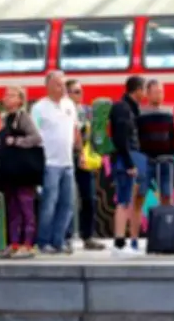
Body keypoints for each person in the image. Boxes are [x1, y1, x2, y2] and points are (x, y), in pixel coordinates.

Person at [32, 71, 80, 255]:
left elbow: (75, 129)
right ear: (49, 86)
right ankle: (44, 241)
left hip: (67, 162)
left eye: (64, 84)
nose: (63, 88)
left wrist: (80, 151)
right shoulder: (39, 107)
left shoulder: (69, 105)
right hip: (49, 163)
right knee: (49, 204)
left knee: (67, 204)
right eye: (59, 84)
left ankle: (59, 240)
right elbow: (35, 135)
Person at [0, 86, 42, 259]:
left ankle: (28, 243)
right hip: (10, 169)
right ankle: (14, 243)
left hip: (23, 170)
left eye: (11, 95)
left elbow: (36, 138)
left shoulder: (24, 118)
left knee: (26, 206)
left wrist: (16, 141)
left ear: (20, 99)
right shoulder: (6, 118)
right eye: (5, 95)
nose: (6, 98)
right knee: (13, 207)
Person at [63, 80, 104, 251]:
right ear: (67, 94)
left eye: (80, 91)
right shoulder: (63, 111)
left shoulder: (86, 112)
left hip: (84, 159)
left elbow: (93, 135)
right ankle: (65, 236)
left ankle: (87, 236)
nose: (80, 95)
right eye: (76, 91)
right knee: (66, 199)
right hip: (67, 158)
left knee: (89, 197)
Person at [109, 75, 147, 256]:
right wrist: (130, 163)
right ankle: (119, 245)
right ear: (137, 90)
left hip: (125, 158)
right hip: (125, 160)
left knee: (125, 201)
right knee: (123, 201)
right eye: (144, 90)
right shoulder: (124, 109)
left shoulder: (127, 108)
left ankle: (120, 243)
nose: (145, 94)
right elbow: (121, 138)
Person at [137, 79, 174, 206]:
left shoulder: (169, 113)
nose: (159, 95)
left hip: (165, 161)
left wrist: (173, 154)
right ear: (148, 94)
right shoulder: (140, 113)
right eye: (155, 92)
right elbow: (137, 136)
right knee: (139, 195)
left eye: (161, 92)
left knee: (167, 195)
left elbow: (173, 135)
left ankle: (165, 223)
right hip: (146, 161)